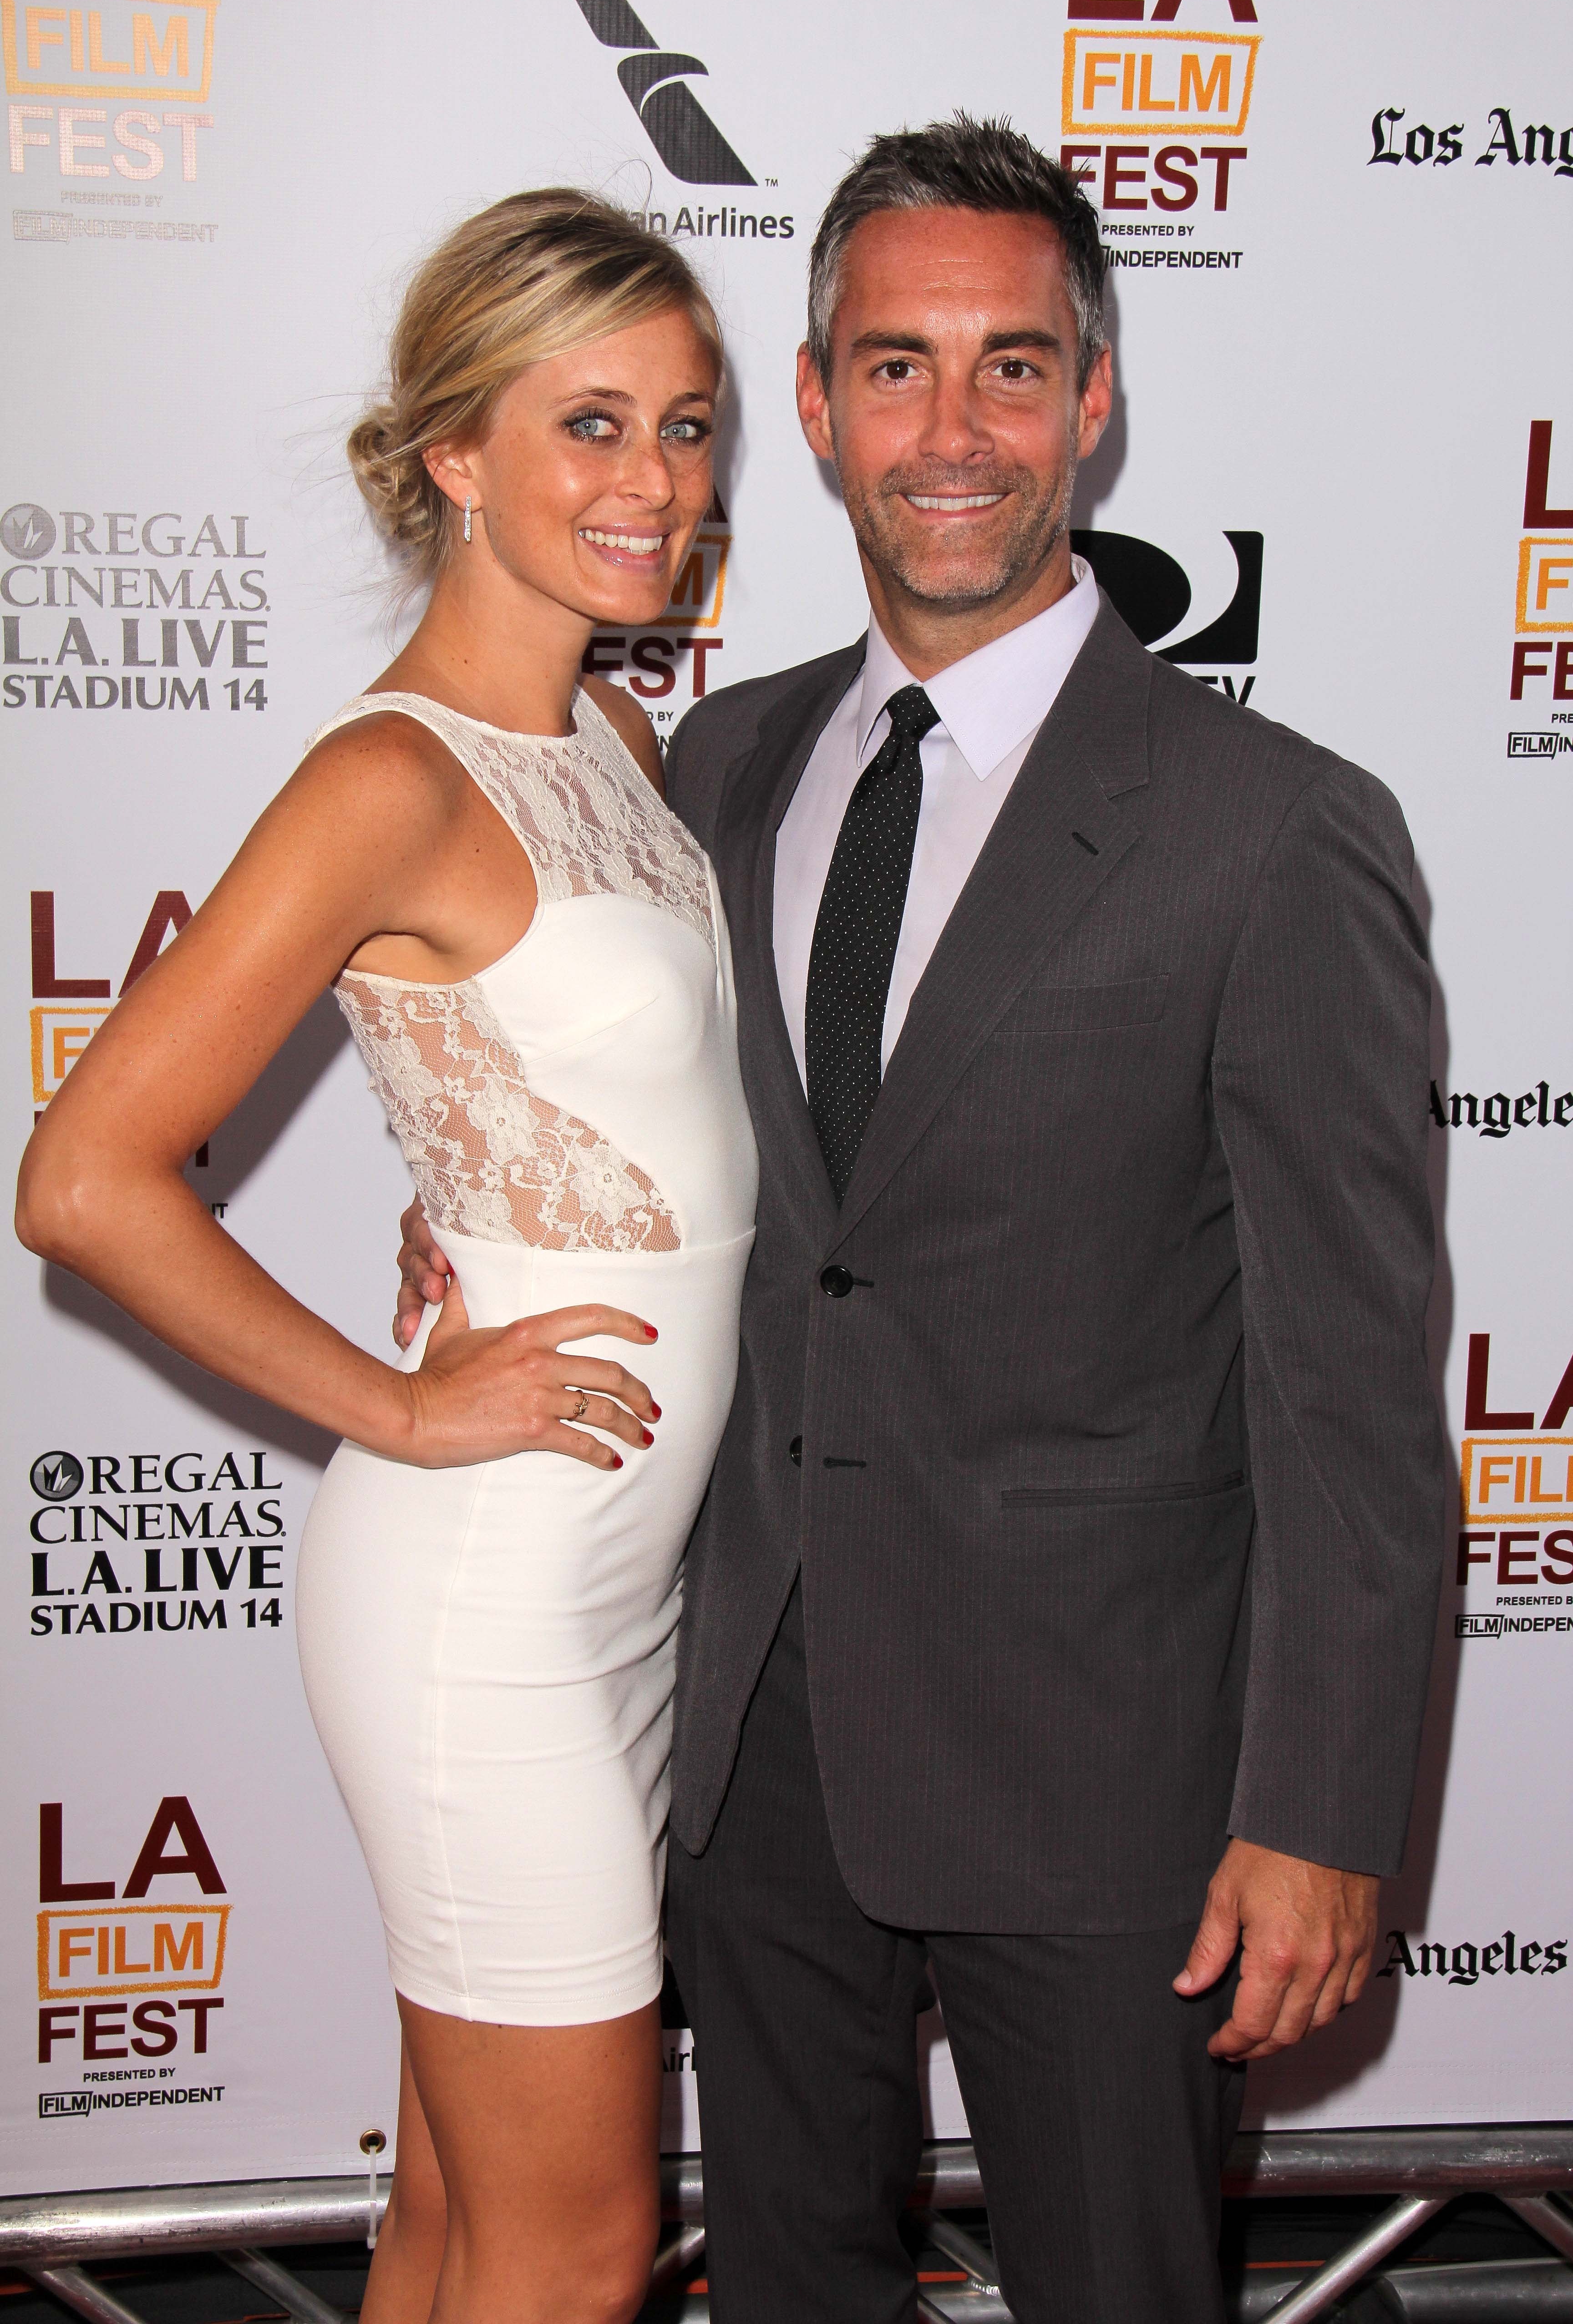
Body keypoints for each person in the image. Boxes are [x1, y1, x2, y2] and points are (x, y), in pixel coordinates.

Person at [399, 120, 1452, 2323]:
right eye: (894, 367)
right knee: (784, 2288)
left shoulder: (1278, 832)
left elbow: (1354, 1386)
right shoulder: (710, 769)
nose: (950, 429)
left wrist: (1328, 1812)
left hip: (1117, 1784)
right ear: (811, 404)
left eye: (1009, 367)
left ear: (1094, 401)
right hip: (756, 1737)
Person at [17, 189, 757, 2324]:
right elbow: (87, 1177)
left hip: (624, 1600)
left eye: (690, 428)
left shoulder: (615, 739)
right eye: (592, 424)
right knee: (584, 2242)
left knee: (457, 2230)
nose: (659, 487)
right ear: (453, 452)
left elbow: (609, 1104)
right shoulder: (385, 775)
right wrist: (405, 1398)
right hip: (485, 1607)